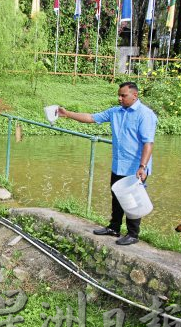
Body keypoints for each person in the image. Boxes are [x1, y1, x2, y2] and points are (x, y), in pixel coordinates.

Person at [57, 82, 158, 246]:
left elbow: (148, 144)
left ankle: (133, 234)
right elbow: (91, 118)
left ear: (135, 95)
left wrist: (142, 167)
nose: (119, 98)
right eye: (119, 95)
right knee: (117, 196)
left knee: (132, 201)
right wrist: (67, 113)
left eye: (123, 95)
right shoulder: (115, 112)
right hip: (119, 164)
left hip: (135, 168)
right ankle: (114, 227)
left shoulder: (145, 114)